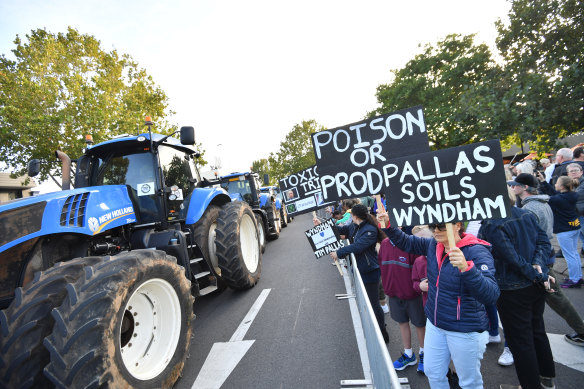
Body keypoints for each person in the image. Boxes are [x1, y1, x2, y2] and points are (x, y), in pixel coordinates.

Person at [378, 212, 499, 389]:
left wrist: (468, 268)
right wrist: (389, 225)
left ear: (458, 225)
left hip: (464, 329)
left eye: (441, 226)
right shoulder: (434, 245)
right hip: (436, 325)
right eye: (433, 227)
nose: (436, 231)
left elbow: (491, 294)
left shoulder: (476, 250)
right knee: (433, 372)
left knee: (469, 382)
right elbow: (406, 242)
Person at [478, 188, 555, 389]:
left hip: (513, 289)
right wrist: (538, 271)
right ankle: (546, 379)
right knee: (537, 331)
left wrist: (536, 272)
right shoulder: (525, 214)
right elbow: (544, 243)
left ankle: (531, 385)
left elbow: (510, 257)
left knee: (521, 340)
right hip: (533, 285)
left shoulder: (493, 223)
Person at [511, 172, 584, 346]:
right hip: (543, 258)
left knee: (556, 299)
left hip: (539, 262)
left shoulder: (530, 208)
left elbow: (530, 239)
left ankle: (581, 330)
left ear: (525, 187)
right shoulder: (541, 203)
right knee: (551, 299)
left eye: (515, 185)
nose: (512, 188)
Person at [327, 204, 390, 342]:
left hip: (370, 271)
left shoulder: (370, 230)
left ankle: (382, 331)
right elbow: (341, 230)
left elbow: (358, 246)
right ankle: (374, 329)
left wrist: (338, 253)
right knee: (368, 303)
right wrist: (323, 226)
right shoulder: (355, 226)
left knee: (373, 303)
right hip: (361, 270)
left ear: (354, 216)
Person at [378, 225, 426, 373]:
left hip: (413, 295)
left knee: (420, 325)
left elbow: (419, 269)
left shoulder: (410, 243)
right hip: (393, 294)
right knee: (402, 323)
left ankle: (425, 354)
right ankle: (409, 354)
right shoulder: (384, 245)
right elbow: (382, 267)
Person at [537, 174, 583, 288]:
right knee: (574, 254)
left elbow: (547, 197)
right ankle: (577, 277)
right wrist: (543, 182)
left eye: (557, 183)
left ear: (562, 186)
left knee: (569, 255)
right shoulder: (571, 195)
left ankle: (574, 280)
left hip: (565, 231)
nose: (555, 184)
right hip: (574, 227)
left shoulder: (558, 199)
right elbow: (555, 194)